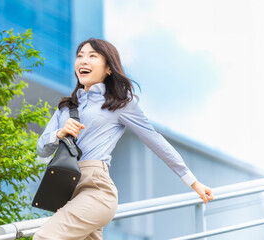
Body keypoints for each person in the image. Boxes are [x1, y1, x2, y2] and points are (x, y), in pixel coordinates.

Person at [33, 38, 214, 240]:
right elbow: (42, 150)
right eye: (80, 56)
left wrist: (193, 182)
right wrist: (58, 134)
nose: (83, 61)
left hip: (96, 189)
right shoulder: (65, 108)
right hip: (68, 192)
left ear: (109, 68)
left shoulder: (120, 105)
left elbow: (156, 141)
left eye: (92, 56)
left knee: (45, 237)